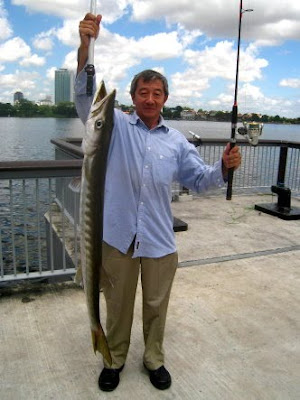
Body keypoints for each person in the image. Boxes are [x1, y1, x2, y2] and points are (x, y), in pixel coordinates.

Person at [75, 13, 241, 393]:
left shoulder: (176, 142)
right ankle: (113, 359)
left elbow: (200, 182)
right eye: (143, 93)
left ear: (164, 99)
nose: (149, 99)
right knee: (116, 306)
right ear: (133, 98)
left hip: (159, 241)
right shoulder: (113, 127)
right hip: (117, 238)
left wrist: (224, 168)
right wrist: (85, 48)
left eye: (157, 93)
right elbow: (87, 102)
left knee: (155, 306)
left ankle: (154, 359)